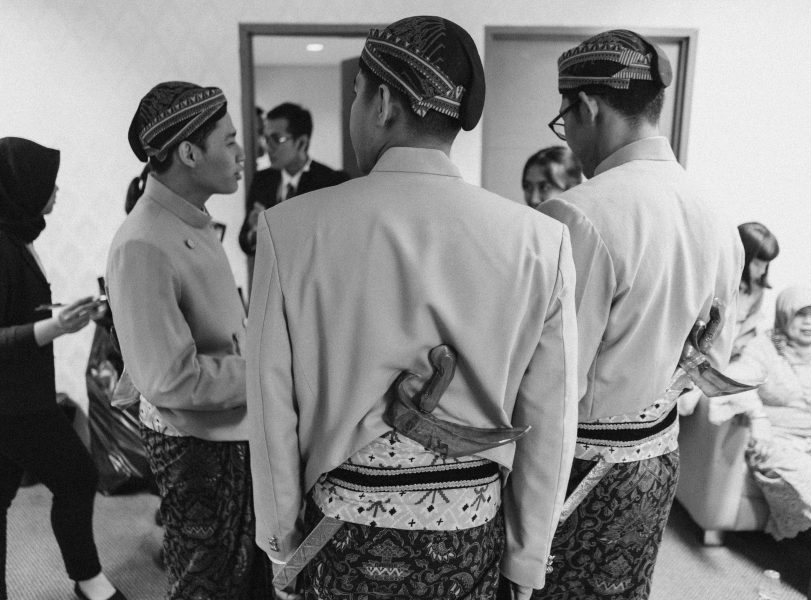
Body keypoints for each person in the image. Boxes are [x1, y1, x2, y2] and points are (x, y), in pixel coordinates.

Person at [247, 16, 578, 600]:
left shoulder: (289, 229)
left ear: (381, 103)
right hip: (468, 532)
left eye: (356, 94)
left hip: (338, 534)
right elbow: (551, 418)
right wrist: (526, 559)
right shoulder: (539, 241)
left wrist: (281, 544)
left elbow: (271, 405)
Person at [535, 30, 742, 598]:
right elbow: (711, 366)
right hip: (657, 459)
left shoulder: (576, 213)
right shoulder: (716, 213)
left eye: (564, 119)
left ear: (587, 107)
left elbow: (551, 382)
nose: (568, 135)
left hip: (577, 468)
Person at [106, 81, 270, 599]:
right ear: (189, 153)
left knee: (243, 577)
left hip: (228, 428)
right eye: (230, 141)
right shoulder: (143, 243)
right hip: (195, 446)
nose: (242, 154)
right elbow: (169, 379)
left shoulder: (191, 222)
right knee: (205, 584)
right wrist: (268, 369)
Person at [0, 137, 124, 600]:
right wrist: (54, 327)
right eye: (48, 182)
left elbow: (9, 312)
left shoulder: (4, 233)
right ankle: (89, 580)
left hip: (1, 394)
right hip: (5, 399)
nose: (56, 190)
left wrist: (64, 315)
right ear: (20, 186)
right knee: (77, 477)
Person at [719, 287, 811, 539]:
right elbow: (736, 381)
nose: (809, 322)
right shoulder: (765, 347)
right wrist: (759, 421)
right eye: (800, 314)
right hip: (779, 441)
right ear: (784, 316)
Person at [237, 102, 349, 255]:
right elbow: (245, 241)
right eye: (266, 138)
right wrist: (255, 232)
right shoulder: (262, 180)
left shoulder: (332, 183)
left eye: (276, 139)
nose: (268, 147)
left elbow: (337, 242)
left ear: (302, 143)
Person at [733, 222, 780, 361]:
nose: (763, 271)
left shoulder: (757, 289)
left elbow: (750, 326)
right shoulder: (719, 281)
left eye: (766, 265)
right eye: (757, 264)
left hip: (733, 352)